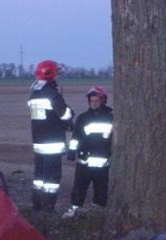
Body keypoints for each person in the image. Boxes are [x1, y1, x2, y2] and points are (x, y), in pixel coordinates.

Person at [27, 60, 74, 211]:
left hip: (38, 143)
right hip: (52, 143)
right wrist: (70, 114)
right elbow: (65, 115)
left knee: (39, 178)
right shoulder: (52, 95)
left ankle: (37, 206)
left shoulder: (34, 95)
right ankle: (48, 208)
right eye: (57, 73)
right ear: (52, 74)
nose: (58, 76)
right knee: (52, 180)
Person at [63, 86, 113, 218]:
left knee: (101, 191)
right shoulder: (83, 118)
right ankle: (74, 212)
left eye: (96, 100)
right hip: (84, 162)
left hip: (103, 164)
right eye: (92, 101)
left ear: (103, 101)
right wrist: (71, 153)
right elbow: (75, 138)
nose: (94, 103)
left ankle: (98, 214)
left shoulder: (111, 117)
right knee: (79, 189)